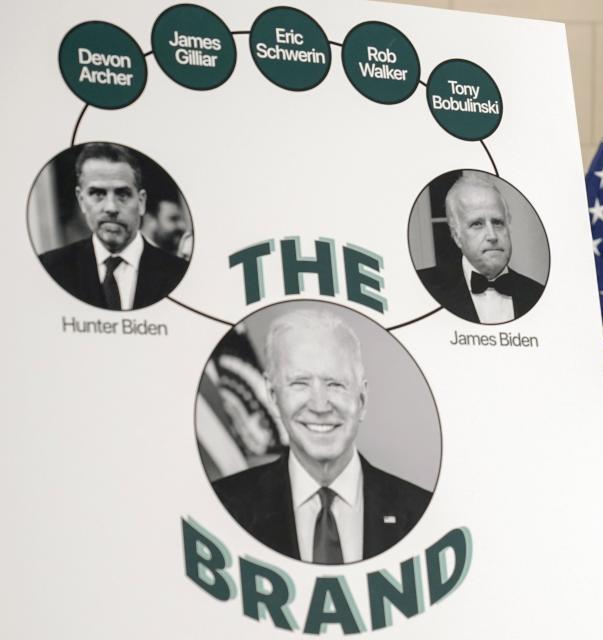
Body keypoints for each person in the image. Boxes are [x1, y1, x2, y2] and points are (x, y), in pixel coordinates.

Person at [212, 310, 432, 564]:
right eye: (299, 383)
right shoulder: (221, 508)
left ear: (362, 399)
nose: (319, 406)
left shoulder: (421, 512)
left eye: (335, 384)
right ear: (273, 397)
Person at [38, 142, 188, 310]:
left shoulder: (179, 273)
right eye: (97, 194)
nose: (111, 208)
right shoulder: (51, 269)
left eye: (122, 194)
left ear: (141, 202)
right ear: (81, 200)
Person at [417, 172, 544, 324]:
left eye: (497, 222)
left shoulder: (537, 293)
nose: (492, 236)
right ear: (457, 236)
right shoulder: (424, 288)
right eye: (477, 224)